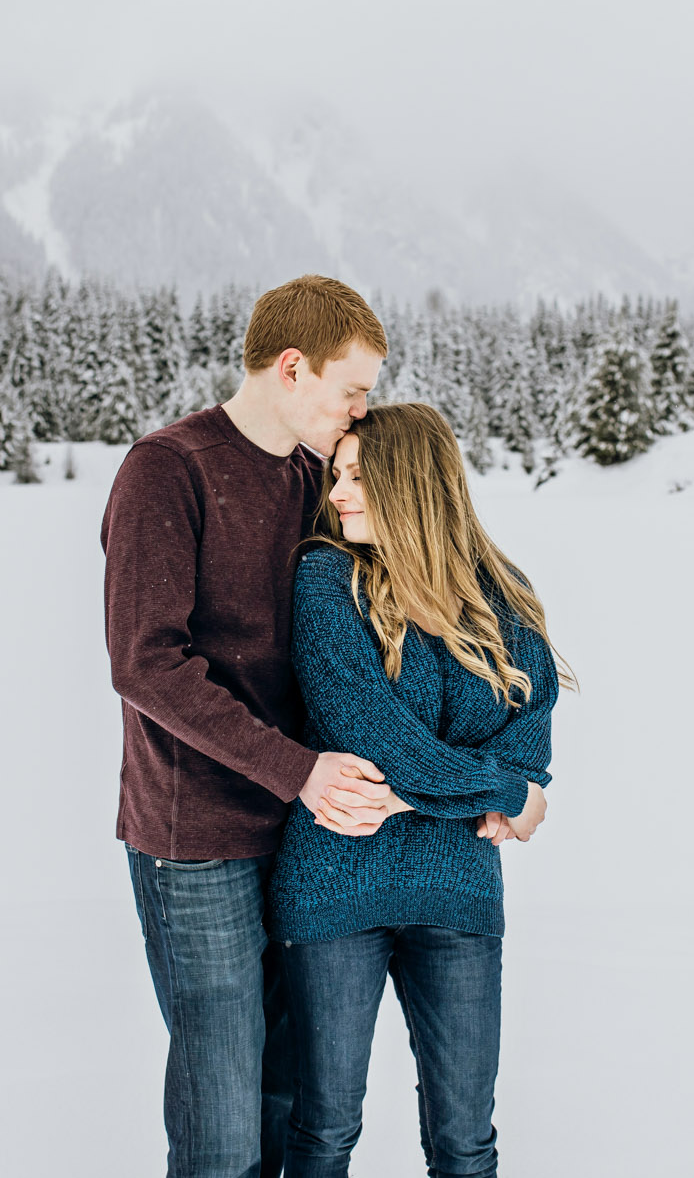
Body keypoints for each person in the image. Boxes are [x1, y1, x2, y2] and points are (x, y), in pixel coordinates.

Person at [101, 275, 404, 1178]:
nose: (359, 413)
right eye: (352, 390)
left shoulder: (319, 476)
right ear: (291, 367)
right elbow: (146, 662)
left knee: (291, 1100)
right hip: (197, 839)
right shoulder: (169, 468)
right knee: (223, 1125)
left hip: (305, 837)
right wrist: (298, 769)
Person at [268, 402, 568, 1178]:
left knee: (465, 1142)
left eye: (358, 475)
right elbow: (378, 744)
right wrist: (498, 790)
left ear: (412, 483)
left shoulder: (500, 593)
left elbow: (527, 731)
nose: (337, 492)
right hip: (334, 891)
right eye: (337, 473)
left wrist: (445, 787)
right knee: (326, 1129)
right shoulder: (326, 581)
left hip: (459, 894)